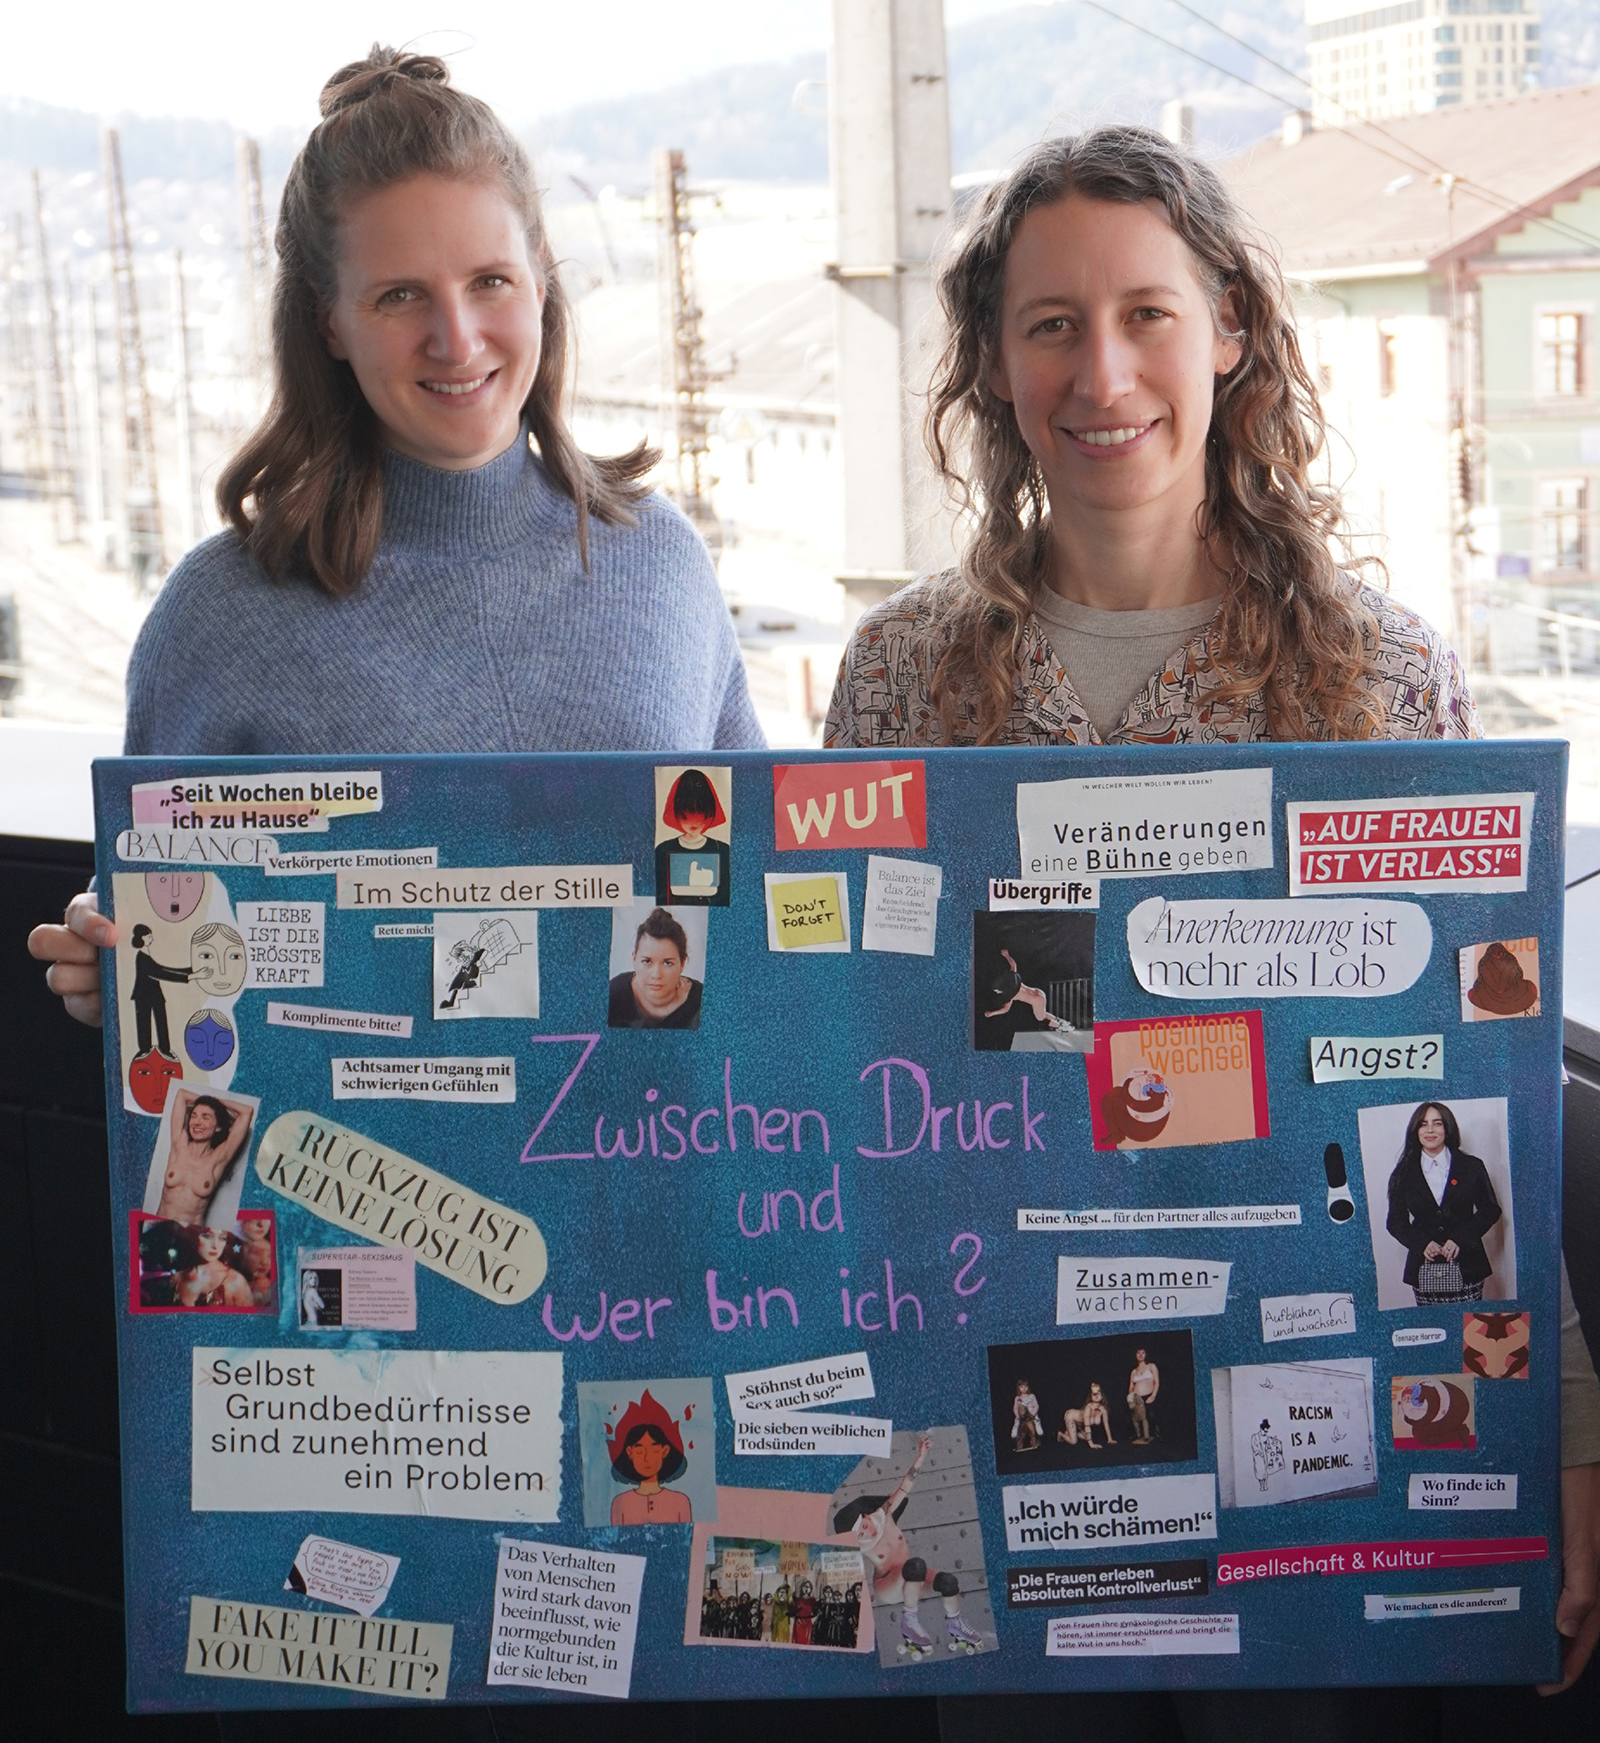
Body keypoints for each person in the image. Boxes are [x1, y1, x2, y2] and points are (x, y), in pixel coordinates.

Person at [814, 124, 1597, 1715]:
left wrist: (1564, 1437)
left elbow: (1469, 1097)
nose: (1102, 372)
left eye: (1147, 313)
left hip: (1300, 1431)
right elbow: (846, 1087)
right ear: (994, 362)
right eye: (1051, 323)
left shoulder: (1384, 680)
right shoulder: (899, 679)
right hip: (973, 1415)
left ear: (1231, 327)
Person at [28, 43, 762, 1025]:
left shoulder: (661, 561)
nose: (456, 339)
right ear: (328, 322)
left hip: (650, 1123)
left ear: (542, 280)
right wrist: (110, 977)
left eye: (490, 280)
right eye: (400, 295)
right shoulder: (221, 615)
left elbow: (755, 904)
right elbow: (167, 949)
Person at [832, 1431, 985, 1657]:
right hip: (890, 1585)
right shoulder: (863, 1546)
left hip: (914, 1577)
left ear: (866, 1516)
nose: (867, 1531)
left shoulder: (884, 1514)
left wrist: (921, 1456)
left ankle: (955, 1624)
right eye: (861, 1533)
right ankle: (909, 1623)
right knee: (915, 1566)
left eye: (864, 1525)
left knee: (949, 1582)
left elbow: (905, 1486)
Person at [1385, 1101, 1503, 1306]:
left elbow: (1490, 1209)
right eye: (1423, 1124)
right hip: (1424, 1268)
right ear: (1415, 1131)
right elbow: (1395, 1222)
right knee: (1432, 1325)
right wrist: (1422, 1244)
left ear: (1447, 1128)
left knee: (1468, 1324)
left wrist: (1460, 1239)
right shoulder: (1403, 1173)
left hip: (1468, 1266)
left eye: (1437, 1123)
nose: (1430, 1130)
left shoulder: (1471, 1166)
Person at [153, 1090, 253, 1224]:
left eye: (205, 1118)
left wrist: (216, 1104)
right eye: (194, 1116)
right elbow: (181, 1095)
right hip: (158, 1227)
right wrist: (208, 1102)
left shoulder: (218, 1158)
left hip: (191, 1233)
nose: (197, 1122)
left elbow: (246, 1112)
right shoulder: (179, 1144)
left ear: (217, 1127)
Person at [607, 1388, 693, 1525]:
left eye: (654, 1450)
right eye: (639, 1450)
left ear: (665, 1451)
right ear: (629, 1453)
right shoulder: (620, 1502)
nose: (647, 1458)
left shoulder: (681, 1502)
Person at [607, 908, 703, 1030]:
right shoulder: (613, 994)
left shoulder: (702, 1001)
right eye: (647, 961)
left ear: (682, 963)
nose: (656, 975)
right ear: (634, 959)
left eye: (667, 963)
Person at [655, 767, 731, 906]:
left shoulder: (722, 850)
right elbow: (660, 895)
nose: (694, 822)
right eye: (686, 815)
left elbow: (726, 895)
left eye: (701, 814)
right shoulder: (663, 850)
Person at [173, 1225, 254, 1308]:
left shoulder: (235, 1280)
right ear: (193, 1235)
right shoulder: (177, 1278)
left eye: (222, 1238)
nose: (215, 1246)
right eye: (207, 1236)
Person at [1128, 1347, 1160, 1445]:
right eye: (1138, 1353)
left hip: (1148, 1396)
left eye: (1143, 1352)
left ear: (1146, 1354)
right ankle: (1139, 1435)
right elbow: (1131, 1386)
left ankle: (1154, 1433)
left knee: (1150, 1416)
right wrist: (1131, 1398)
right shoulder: (1134, 1371)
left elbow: (1156, 1382)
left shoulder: (1151, 1366)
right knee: (1136, 1418)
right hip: (1137, 1398)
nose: (1141, 1355)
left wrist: (1153, 1396)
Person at [1011, 1377, 1042, 1451]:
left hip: (1030, 1415)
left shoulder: (1032, 1396)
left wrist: (1032, 1414)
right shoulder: (1017, 1398)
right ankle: (1016, 1426)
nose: (1024, 1389)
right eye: (1022, 1387)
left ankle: (1037, 1424)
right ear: (1019, 1388)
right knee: (1021, 1408)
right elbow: (1015, 1408)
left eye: (1025, 1386)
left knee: (1035, 1429)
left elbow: (1036, 1406)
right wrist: (1017, 1415)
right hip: (1021, 1416)